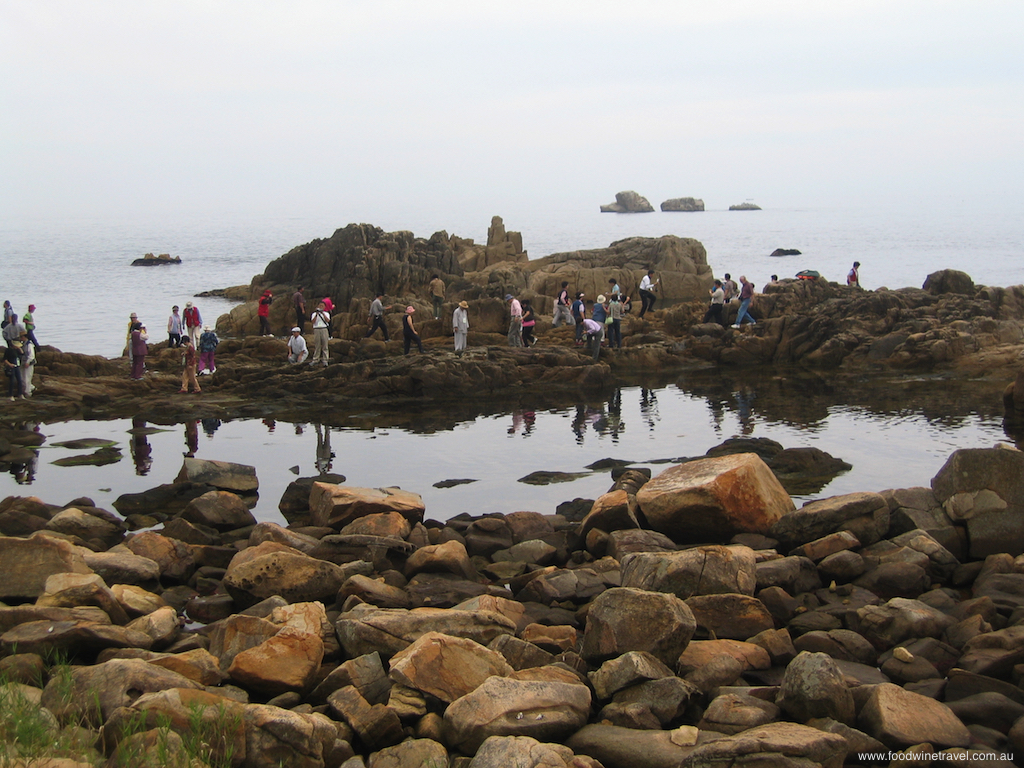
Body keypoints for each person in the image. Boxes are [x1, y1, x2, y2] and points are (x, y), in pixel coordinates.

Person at [310, 301, 331, 366]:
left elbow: (328, 320)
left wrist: (322, 314)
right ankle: (315, 359)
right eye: (320, 305)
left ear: (324, 307)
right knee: (317, 345)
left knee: (325, 345)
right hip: (316, 329)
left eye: (322, 306)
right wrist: (317, 313)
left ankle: (325, 360)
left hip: (324, 329)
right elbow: (313, 321)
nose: (321, 307)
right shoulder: (314, 314)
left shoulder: (326, 313)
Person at [19, 331, 35, 396]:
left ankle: (28, 392)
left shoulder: (29, 344)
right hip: (23, 362)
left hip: (28, 363)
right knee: (23, 377)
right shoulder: (24, 344)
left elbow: (31, 355)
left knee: (27, 377)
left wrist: (28, 362)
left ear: (25, 337)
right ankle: (31, 388)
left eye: (21, 337)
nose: (20, 338)